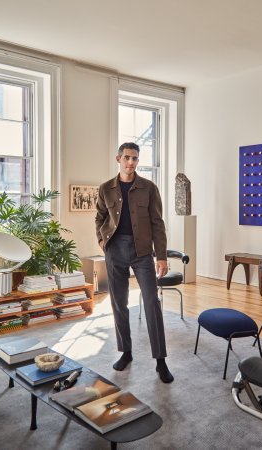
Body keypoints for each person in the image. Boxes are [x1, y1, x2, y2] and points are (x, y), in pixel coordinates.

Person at [95, 142, 173, 383]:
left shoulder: (148, 188)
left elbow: (157, 223)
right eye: (127, 157)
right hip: (115, 249)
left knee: (151, 301)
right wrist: (101, 240)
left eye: (135, 158)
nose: (131, 162)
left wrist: (161, 256)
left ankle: (160, 360)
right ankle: (126, 352)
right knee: (119, 303)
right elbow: (100, 216)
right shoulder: (106, 188)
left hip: (142, 251)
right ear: (118, 158)